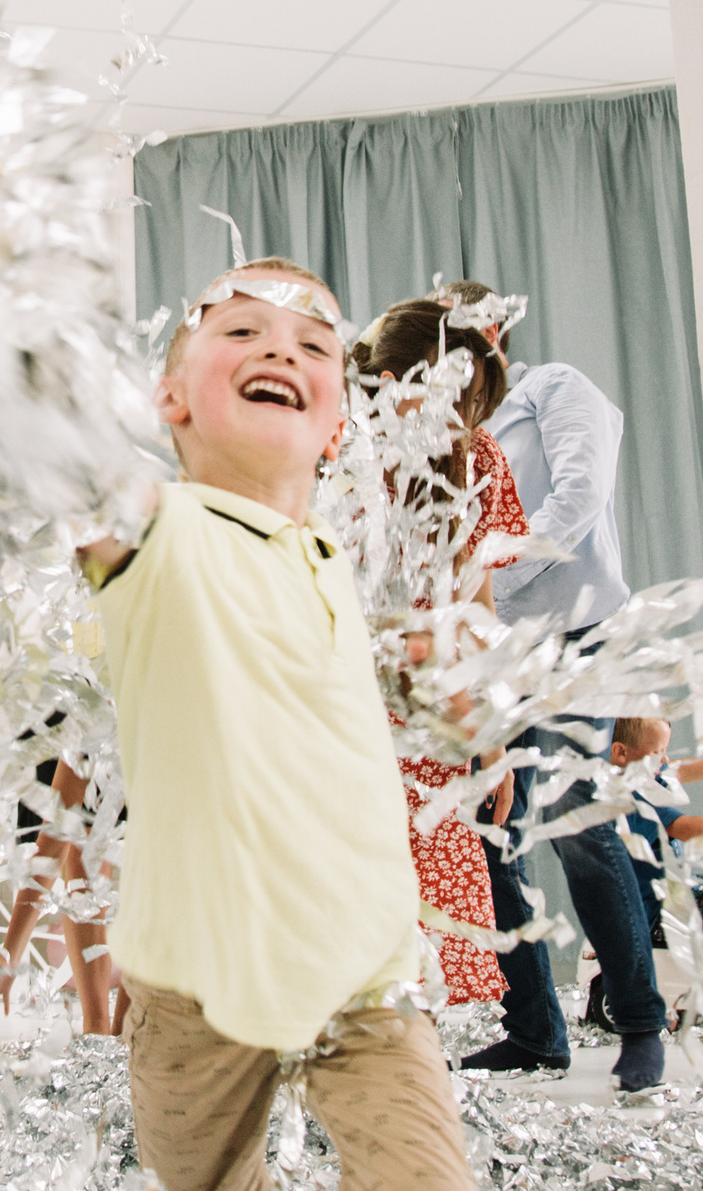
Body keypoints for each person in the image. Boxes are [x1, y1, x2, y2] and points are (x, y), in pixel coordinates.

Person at [76, 258, 478, 1191]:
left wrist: (444, 699)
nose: (279, 350)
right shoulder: (161, 532)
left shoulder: (334, 557)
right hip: (193, 981)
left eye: (312, 344)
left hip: (366, 972)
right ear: (169, 397)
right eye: (243, 332)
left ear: (340, 418)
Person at [440, 279, 671, 1092]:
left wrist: (487, 581)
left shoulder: (553, 388)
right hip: (497, 652)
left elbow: (577, 499)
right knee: (494, 822)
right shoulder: (449, 435)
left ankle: (641, 1023)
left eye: (467, 330)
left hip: (576, 634)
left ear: (496, 329)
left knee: (578, 826)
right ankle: (535, 1030)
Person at [350, 298, 526, 1011]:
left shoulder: (476, 457)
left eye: (476, 399)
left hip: (427, 725)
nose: (466, 414)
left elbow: (473, 606)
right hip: (335, 710)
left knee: (425, 953)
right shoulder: (331, 448)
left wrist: (492, 729)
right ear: (391, 379)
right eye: (454, 390)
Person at [601, 717, 703, 1036]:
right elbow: (686, 828)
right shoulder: (631, 796)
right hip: (653, 912)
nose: (664, 760)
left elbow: (681, 769)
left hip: (674, 895)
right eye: (657, 752)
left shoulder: (643, 773)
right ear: (620, 752)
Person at [0, 743, 121, 1034]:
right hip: (87, 740)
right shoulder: (92, 737)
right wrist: (9, 957)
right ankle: (98, 1026)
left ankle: (116, 1030)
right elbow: (54, 843)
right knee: (83, 848)